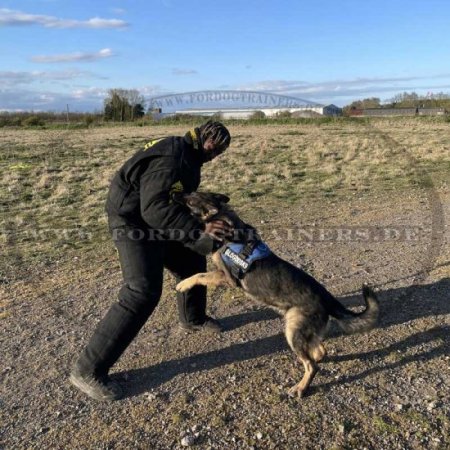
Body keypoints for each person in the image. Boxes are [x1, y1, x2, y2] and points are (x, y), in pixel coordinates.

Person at [70, 121, 233, 401]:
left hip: (150, 217)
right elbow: (155, 207)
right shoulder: (173, 157)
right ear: (204, 137)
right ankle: (87, 370)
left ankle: (192, 319)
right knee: (142, 290)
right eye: (214, 146)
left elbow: (172, 199)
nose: (216, 153)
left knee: (191, 260)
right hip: (131, 220)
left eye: (221, 150)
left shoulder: (188, 154)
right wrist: (198, 232)